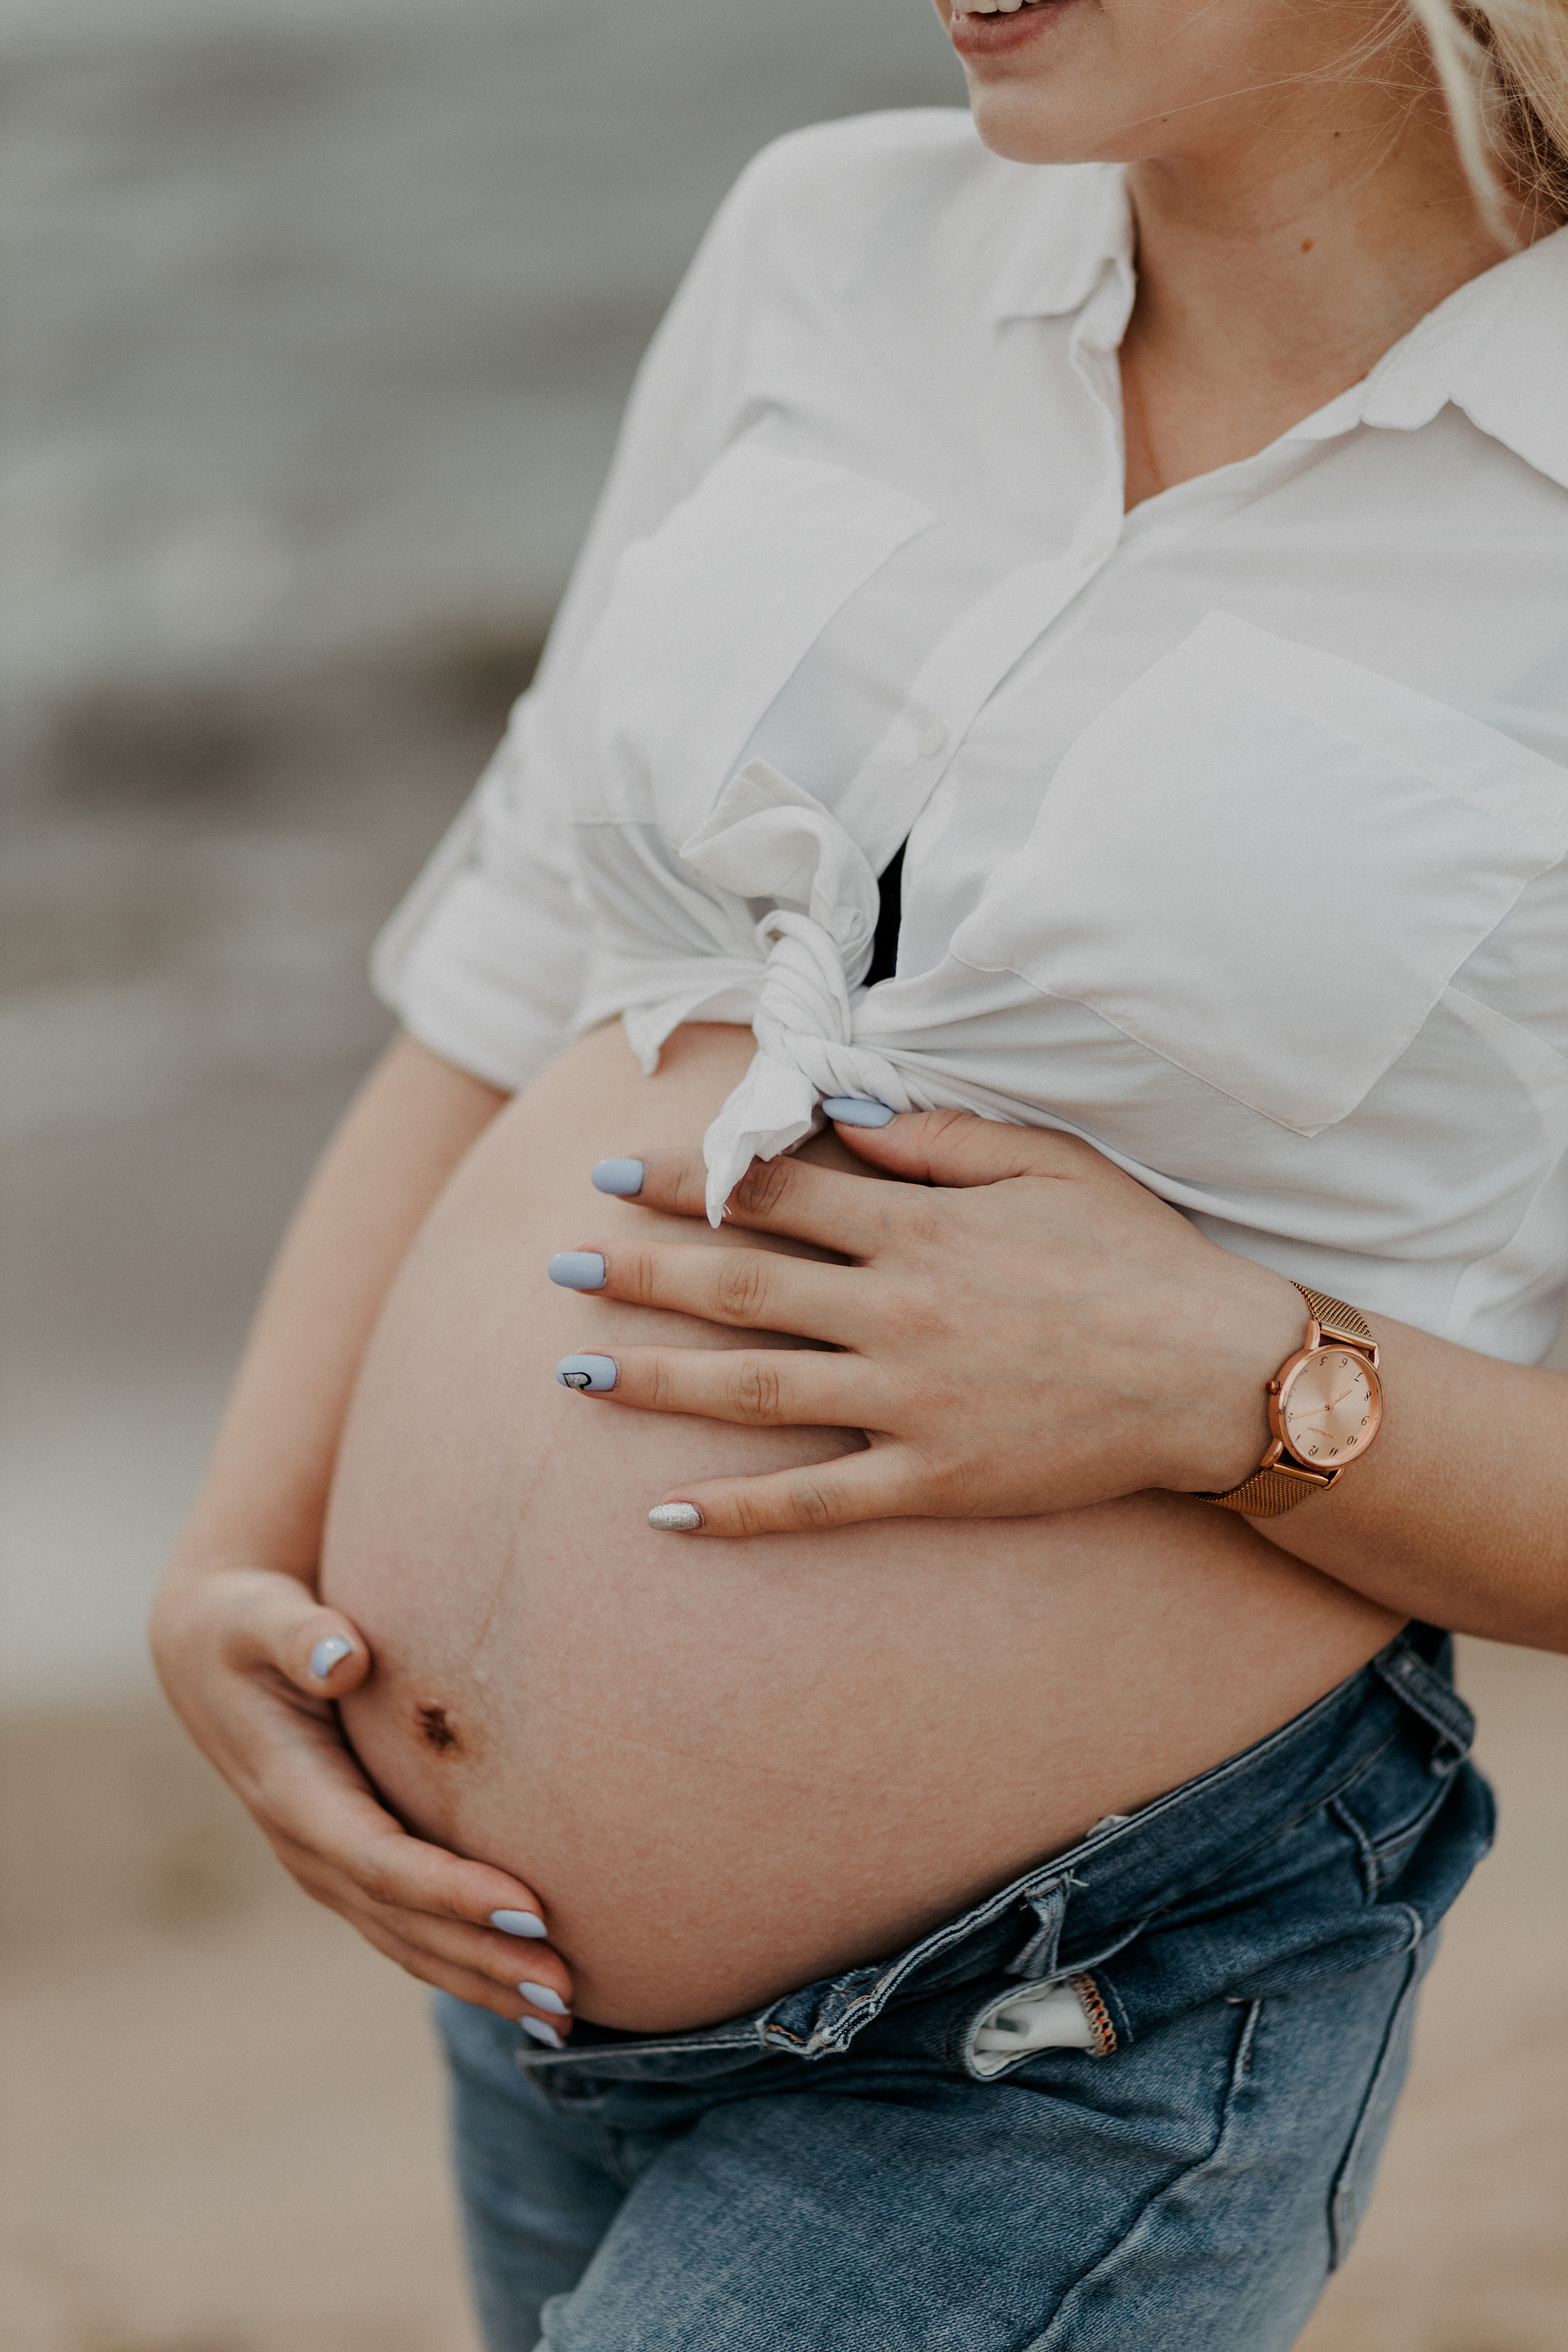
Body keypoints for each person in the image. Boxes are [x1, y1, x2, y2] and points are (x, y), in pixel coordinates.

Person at [151, 1, 1568, 2344]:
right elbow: (519, 963)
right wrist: (235, 1546)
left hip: (1059, 2023)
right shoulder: (823, 242)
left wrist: (1245, 1385)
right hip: (505, 1986)